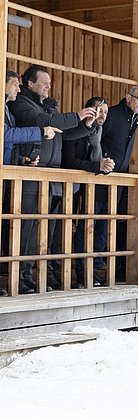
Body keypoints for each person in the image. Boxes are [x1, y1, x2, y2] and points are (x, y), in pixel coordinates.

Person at [6, 65, 97, 293]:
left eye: (49, 82)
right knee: (24, 229)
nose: (48, 86)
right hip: (28, 177)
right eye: (44, 81)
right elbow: (43, 120)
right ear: (30, 84)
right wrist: (77, 115)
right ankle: (17, 277)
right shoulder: (22, 104)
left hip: (47, 176)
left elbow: (64, 134)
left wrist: (85, 124)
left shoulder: (43, 106)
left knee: (38, 231)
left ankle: (28, 276)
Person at [1, 69, 59, 295]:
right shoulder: (9, 108)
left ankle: (22, 277)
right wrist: (39, 131)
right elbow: (4, 135)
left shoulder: (7, 109)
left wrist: (21, 159)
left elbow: (8, 144)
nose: (17, 89)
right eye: (14, 84)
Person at [61, 96, 115, 287]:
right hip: (66, 187)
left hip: (87, 188)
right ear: (87, 111)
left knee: (93, 229)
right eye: (99, 110)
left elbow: (98, 158)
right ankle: (67, 273)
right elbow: (69, 161)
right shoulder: (75, 130)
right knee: (65, 229)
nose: (102, 115)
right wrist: (96, 166)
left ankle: (88, 272)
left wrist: (105, 165)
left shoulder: (99, 133)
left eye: (106, 112)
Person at [99, 86, 138, 282]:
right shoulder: (114, 114)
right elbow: (97, 140)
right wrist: (102, 160)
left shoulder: (136, 118)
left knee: (108, 223)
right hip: (102, 176)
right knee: (95, 223)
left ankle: (101, 267)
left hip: (120, 179)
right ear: (128, 98)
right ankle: (89, 268)